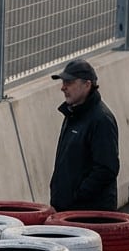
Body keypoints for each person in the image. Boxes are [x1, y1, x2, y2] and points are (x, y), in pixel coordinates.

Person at [49, 58, 120, 211]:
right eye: (63, 83)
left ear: (87, 85)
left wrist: (75, 197)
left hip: (88, 217)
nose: (63, 88)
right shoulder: (72, 114)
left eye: (69, 83)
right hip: (68, 212)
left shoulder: (101, 120)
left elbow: (106, 169)